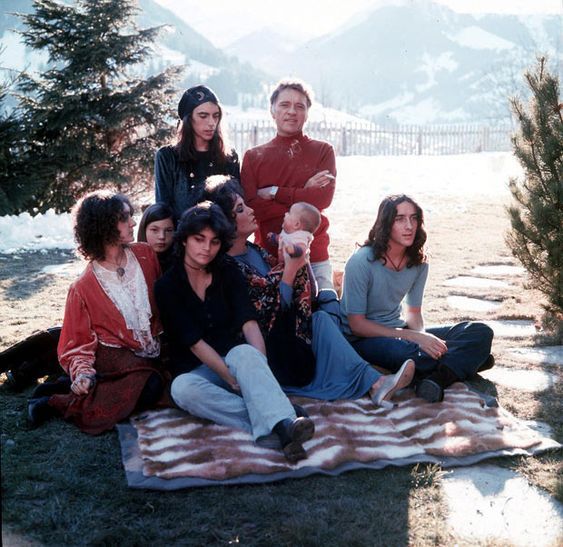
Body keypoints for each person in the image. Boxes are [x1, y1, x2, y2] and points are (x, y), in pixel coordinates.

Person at [202, 175, 415, 407]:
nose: (252, 210)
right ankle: (372, 375)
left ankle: (375, 381)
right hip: (271, 352)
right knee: (326, 315)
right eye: (241, 208)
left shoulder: (256, 251)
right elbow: (267, 314)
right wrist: (291, 271)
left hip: (291, 333)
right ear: (225, 221)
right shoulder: (227, 267)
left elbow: (302, 293)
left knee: (324, 311)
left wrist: (301, 264)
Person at [154, 202, 315, 463]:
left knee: (245, 353)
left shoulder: (228, 271)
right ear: (183, 239)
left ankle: (278, 429)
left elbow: (248, 323)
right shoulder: (167, 286)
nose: (206, 248)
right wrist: (230, 379)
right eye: (199, 239)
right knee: (182, 389)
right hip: (201, 368)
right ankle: (284, 421)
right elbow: (194, 343)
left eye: (214, 241)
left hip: (237, 359)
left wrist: (260, 369)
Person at [27, 191, 166, 434]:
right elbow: (77, 344)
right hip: (112, 355)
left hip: (153, 349)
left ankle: (71, 386)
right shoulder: (82, 287)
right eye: (125, 218)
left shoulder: (146, 255)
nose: (134, 222)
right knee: (151, 384)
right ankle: (57, 402)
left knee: (168, 381)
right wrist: (82, 372)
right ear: (104, 226)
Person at [340, 194, 495, 403]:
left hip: (399, 331)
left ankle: (437, 379)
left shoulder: (419, 262)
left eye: (414, 218)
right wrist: (415, 339)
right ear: (385, 223)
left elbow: (413, 314)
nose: (409, 226)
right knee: (409, 351)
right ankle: (470, 361)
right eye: (400, 219)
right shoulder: (361, 261)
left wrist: (423, 337)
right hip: (363, 340)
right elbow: (356, 325)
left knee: (480, 331)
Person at [241, 78, 336, 290]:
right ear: (272, 111)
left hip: (315, 253)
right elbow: (253, 208)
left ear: (307, 114)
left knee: (323, 312)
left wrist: (274, 192)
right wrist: (305, 194)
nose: (292, 111)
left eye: (299, 106)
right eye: (284, 105)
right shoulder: (253, 157)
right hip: (268, 256)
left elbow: (323, 199)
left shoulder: (323, 151)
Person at [155, 85, 239, 220]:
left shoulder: (228, 156)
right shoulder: (167, 156)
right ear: (188, 118)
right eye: (203, 116)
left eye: (216, 116)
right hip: (181, 236)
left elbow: (237, 206)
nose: (211, 123)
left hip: (222, 236)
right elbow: (163, 210)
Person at [137, 202, 176, 272]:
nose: (162, 236)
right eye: (155, 230)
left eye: (168, 230)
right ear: (144, 230)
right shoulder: (133, 262)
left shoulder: (183, 263)